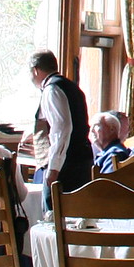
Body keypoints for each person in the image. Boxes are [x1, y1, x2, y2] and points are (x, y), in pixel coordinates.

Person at [28, 51, 94, 194]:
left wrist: (53, 168)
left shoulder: (52, 90)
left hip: (66, 165)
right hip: (80, 159)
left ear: (35, 70)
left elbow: (62, 129)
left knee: (54, 211)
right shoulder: (72, 87)